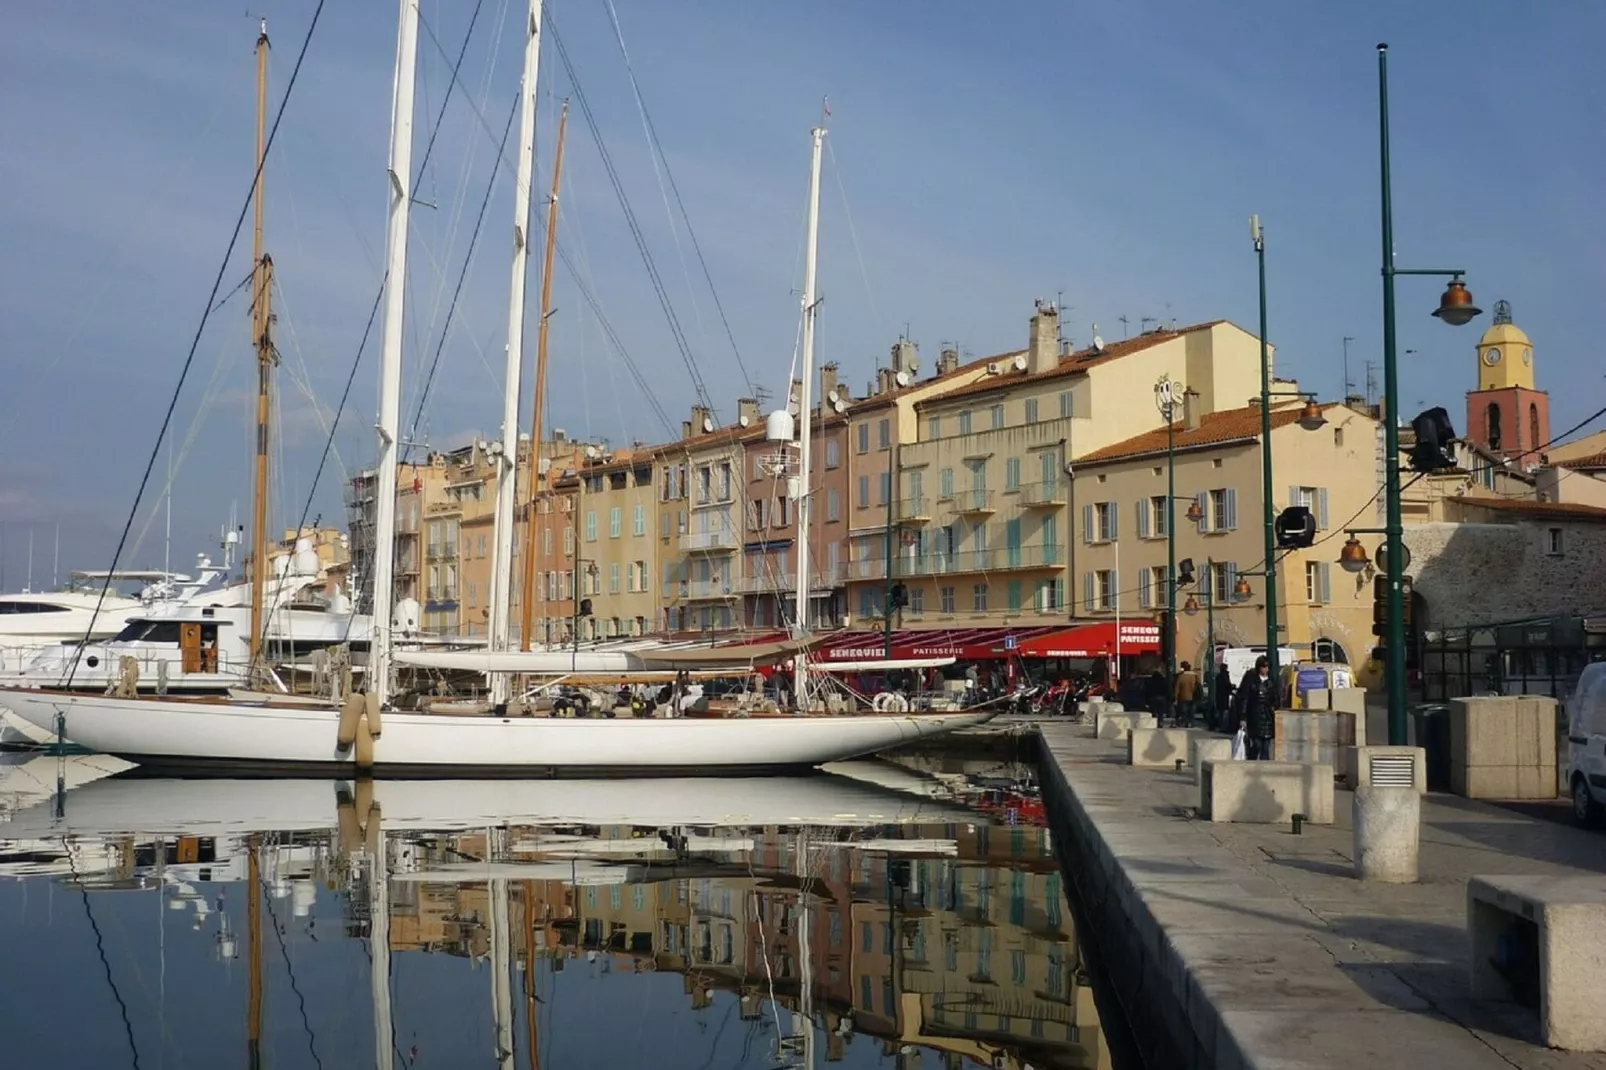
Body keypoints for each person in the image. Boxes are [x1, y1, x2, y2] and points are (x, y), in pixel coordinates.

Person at [1235, 655, 1277, 759]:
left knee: (1266, 747)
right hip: (1255, 716)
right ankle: (1252, 758)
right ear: (1259, 667)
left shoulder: (1272, 682)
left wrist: (1273, 707)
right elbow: (1245, 699)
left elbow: (1276, 699)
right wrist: (1243, 717)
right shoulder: (1252, 682)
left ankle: (1264, 769)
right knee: (1257, 744)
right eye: (1263, 667)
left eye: (1267, 667)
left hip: (1268, 718)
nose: (1266, 669)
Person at [1173, 661, 1200, 727]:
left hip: (1183, 696)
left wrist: (1175, 697)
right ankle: (1192, 723)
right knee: (1192, 711)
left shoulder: (1181, 677)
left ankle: (1186, 723)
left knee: (1184, 711)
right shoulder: (1195, 676)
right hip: (1193, 696)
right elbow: (1199, 686)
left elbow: (1177, 688)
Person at [1214, 664, 1235, 732]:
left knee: (1221, 712)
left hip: (1219, 696)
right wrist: (1232, 687)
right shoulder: (1225, 676)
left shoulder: (1218, 676)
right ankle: (1223, 727)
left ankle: (1221, 726)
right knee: (1224, 712)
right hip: (1224, 696)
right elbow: (1227, 684)